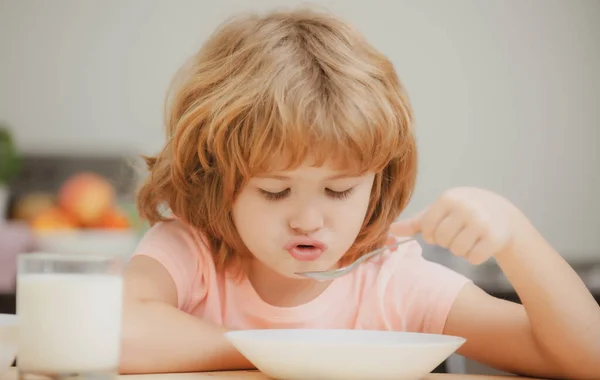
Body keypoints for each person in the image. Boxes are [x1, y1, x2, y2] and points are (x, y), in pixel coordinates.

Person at [120, 8, 600, 379]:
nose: (308, 219)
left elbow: (587, 359)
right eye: (274, 191)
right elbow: (115, 331)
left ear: (378, 183)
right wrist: (274, 349)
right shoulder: (191, 250)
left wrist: (515, 235)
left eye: (339, 190)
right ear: (216, 180)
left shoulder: (390, 282)